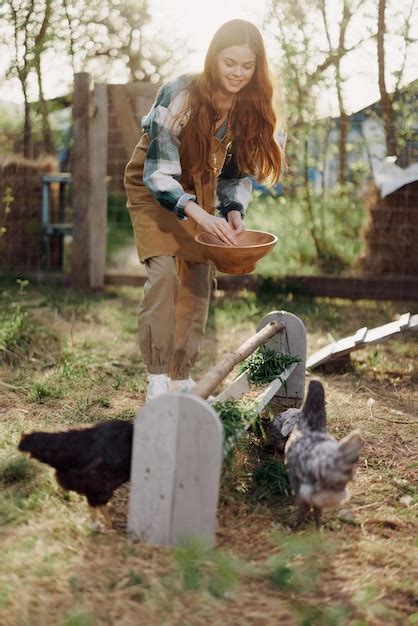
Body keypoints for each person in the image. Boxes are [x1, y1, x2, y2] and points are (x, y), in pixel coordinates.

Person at [124, 18, 284, 400]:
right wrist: (199, 215)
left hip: (203, 190)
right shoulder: (180, 92)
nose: (238, 74)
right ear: (213, 57)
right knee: (164, 274)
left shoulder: (250, 105)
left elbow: (237, 172)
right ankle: (158, 377)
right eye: (230, 63)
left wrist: (232, 212)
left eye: (248, 66)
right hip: (155, 186)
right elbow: (159, 173)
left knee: (197, 281)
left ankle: (181, 375)